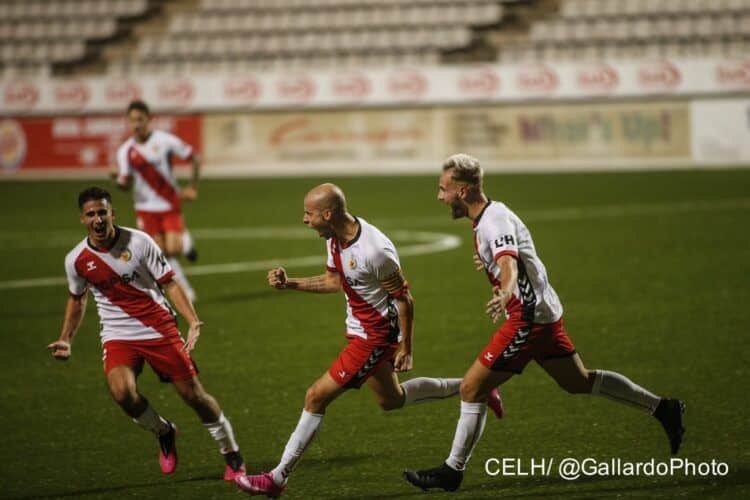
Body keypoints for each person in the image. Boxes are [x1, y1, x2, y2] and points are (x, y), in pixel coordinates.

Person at [404, 154, 686, 492]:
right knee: (578, 381)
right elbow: (510, 257)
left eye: (443, 189)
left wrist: (504, 291)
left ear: (462, 191)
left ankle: (452, 471)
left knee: (471, 388)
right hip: (544, 314)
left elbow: (509, 263)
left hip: (528, 320)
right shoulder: (490, 216)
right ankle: (663, 408)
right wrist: (491, 264)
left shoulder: (493, 221)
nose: (440, 196)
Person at [234, 183, 503, 498]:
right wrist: (290, 283)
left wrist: (407, 348)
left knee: (315, 397)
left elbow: (405, 299)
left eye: (309, 214)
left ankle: (277, 479)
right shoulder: (334, 237)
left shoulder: (375, 251)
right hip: (361, 331)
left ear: (328, 213)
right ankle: (478, 385)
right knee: (392, 400)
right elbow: (334, 280)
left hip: (374, 337)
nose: (305, 220)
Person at [47, 186, 245, 481]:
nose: (98, 219)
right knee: (121, 392)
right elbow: (77, 299)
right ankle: (164, 432)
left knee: (193, 395)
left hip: (158, 328)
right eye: (91, 214)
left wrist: (192, 320)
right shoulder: (75, 260)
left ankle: (232, 454)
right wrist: (66, 338)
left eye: (103, 212)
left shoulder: (139, 242)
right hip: (118, 334)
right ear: (82, 219)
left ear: (113, 213)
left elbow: (170, 282)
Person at [111, 100, 199, 301]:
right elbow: (124, 185)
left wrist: (192, 187)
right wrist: (116, 177)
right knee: (161, 254)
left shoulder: (165, 140)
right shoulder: (125, 151)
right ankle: (187, 291)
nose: (136, 124)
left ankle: (185, 243)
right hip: (145, 207)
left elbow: (193, 157)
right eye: (132, 120)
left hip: (169, 203)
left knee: (173, 250)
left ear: (149, 120)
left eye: (140, 120)